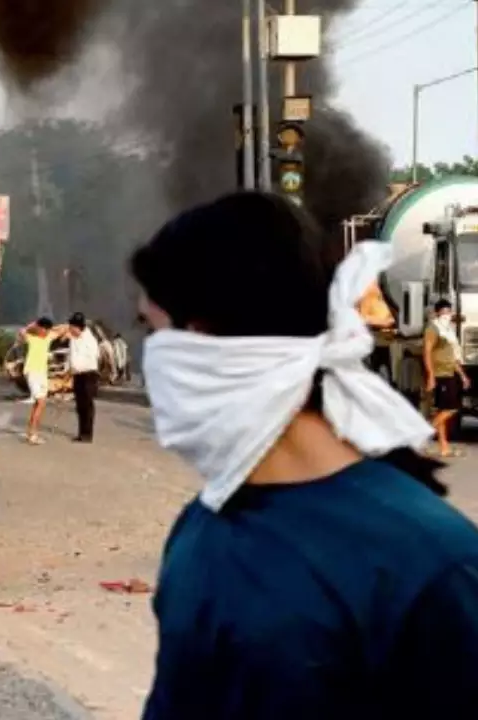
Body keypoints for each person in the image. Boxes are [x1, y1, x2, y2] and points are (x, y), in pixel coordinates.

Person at [132, 191, 478, 719]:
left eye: (154, 334)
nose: (151, 364)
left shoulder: (429, 561)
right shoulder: (201, 528)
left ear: (204, 341)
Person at [424, 298, 469, 457]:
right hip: (440, 374)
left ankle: (444, 448)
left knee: (442, 409)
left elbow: (452, 356)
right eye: (443, 312)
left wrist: (463, 376)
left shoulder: (448, 330)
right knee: (452, 408)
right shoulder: (433, 328)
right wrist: (430, 376)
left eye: (448, 311)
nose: (446, 314)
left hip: (450, 372)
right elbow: (427, 352)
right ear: (437, 313)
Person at [20, 317, 59, 444]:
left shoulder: (48, 338)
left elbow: (62, 330)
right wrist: (34, 324)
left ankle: (31, 431)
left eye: (47, 330)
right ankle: (32, 434)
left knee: (39, 404)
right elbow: (22, 331)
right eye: (44, 329)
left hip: (42, 373)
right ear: (40, 328)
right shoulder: (32, 339)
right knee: (40, 403)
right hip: (32, 372)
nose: (46, 332)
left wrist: (51, 328)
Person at [66, 312, 100, 443]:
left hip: (88, 375)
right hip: (77, 375)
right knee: (80, 406)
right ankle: (81, 432)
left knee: (87, 405)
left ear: (79, 327)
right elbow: (71, 357)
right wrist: (69, 369)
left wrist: (77, 367)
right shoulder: (73, 339)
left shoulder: (90, 340)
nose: (70, 329)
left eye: (72, 327)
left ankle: (87, 434)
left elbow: (92, 358)